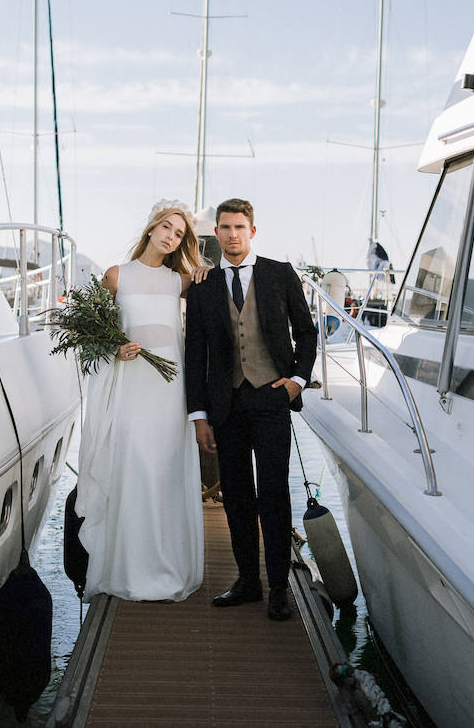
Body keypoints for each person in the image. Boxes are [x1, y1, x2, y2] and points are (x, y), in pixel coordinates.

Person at [184, 198, 317, 621]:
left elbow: (307, 333)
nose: (232, 234)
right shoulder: (204, 285)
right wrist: (198, 415)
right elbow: (195, 355)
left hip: (271, 398)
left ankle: (279, 586)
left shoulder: (280, 274)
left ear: (252, 231)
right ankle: (248, 582)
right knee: (238, 497)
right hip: (226, 405)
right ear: (217, 233)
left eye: (239, 227)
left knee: (274, 494)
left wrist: (296, 382)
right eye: (224, 227)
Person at [75, 201, 206, 602]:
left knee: (164, 474)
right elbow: (88, 331)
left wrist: (203, 269)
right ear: (151, 229)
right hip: (132, 386)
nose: (170, 236)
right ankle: (128, 570)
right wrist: (115, 350)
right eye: (166, 227)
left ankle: (165, 567)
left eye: (179, 233)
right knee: (134, 469)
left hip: (169, 390)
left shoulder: (179, 281)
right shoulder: (117, 275)